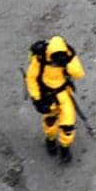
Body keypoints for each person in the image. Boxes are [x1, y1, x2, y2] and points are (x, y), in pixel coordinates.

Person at [24, 35, 85, 163]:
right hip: (47, 95)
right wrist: (37, 99)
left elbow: (79, 74)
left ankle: (65, 147)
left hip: (63, 93)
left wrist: (68, 62)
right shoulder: (40, 58)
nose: (56, 63)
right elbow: (31, 78)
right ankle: (50, 139)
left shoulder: (68, 55)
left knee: (68, 124)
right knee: (50, 120)